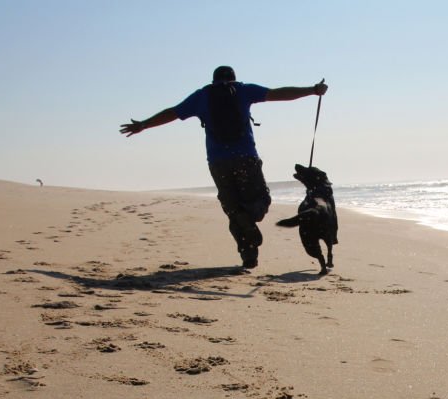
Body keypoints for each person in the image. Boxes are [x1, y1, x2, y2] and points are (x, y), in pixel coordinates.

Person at [119, 66, 328, 269]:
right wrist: (312, 90)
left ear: (213, 81)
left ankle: (248, 255)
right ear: (234, 79)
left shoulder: (202, 96)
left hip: (218, 163)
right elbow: (279, 94)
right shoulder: (243, 90)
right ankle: (247, 225)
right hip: (246, 158)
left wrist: (144, 125)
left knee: (233, 209)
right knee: (260, 201)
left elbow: (172, 113)